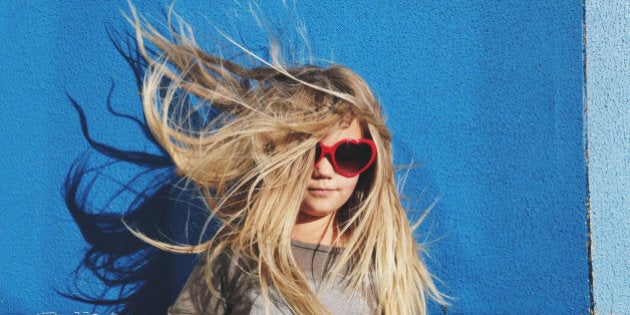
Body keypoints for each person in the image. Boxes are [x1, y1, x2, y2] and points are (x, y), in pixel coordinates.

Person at [127, 4, 446, 314]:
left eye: (347, 155)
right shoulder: (239, 255)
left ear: (370, 164)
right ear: (280, 155)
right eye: (307, 153)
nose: (323, 169)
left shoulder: (382, 264)